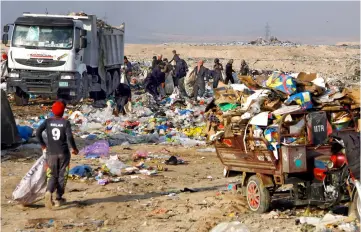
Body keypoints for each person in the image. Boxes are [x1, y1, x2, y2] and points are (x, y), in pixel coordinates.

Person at [36, 101, 79, 209]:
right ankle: (58, 198)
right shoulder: (65, 122)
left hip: (51, 153)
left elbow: (38, 132)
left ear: (52, 111)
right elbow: (69, 137)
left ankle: (49, 191)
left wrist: (43, 145)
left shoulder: (48, 121)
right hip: (63, 153)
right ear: (63, 111)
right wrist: (74, 148)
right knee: (62, 175)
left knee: (52, 175)